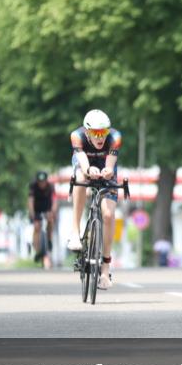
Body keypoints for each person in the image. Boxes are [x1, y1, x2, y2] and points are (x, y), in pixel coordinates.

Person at [66, 110, 122, 290]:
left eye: (103, 132)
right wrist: (89, 170)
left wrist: (107, 171)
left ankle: (105, 269)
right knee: (81, 179)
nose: (100, 137)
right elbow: (82, 161)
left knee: (108, 214)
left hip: (105, 167)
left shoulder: (115, 137)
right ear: (87, 131)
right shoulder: (77, 136)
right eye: (96, 133)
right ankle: (75, 231)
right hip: (85, 165)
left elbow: (110, 165)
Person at [28, 170, 56, 269]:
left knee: (50, 220)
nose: (42, 184)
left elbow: (54, 201)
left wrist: (52, 212)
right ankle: (37, 250)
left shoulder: (51, 187)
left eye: (43, 182)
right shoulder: (33, 186)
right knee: (36, 227)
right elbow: (30, 201)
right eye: (40, 182)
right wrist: (32, 215)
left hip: (47, 208)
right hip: (36, 210)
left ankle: (49, 240)